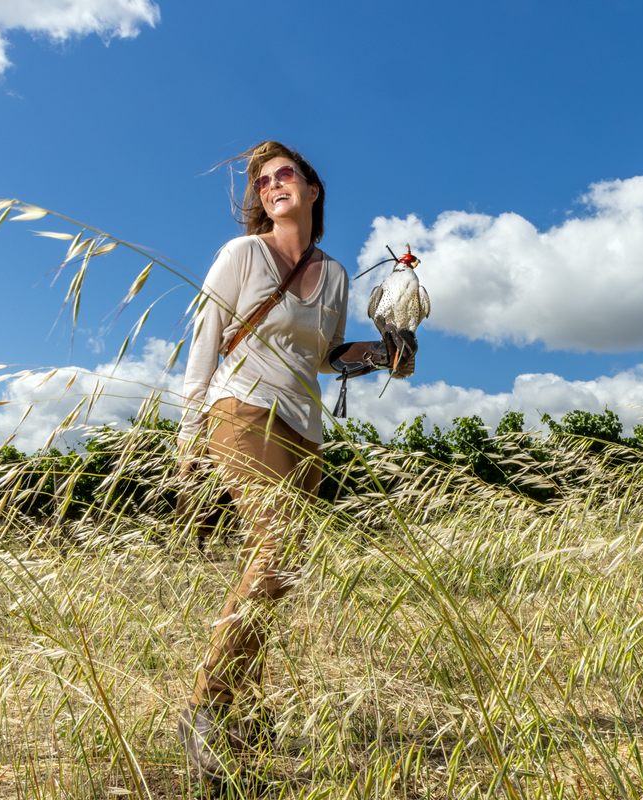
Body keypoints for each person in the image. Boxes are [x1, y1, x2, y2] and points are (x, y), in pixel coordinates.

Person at [175, 140, 416, 782]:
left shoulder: (334, 274)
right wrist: (188, 438)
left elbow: (328, 354)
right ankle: (207, 705)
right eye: (263, 181)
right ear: (260, 200)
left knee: (284, 569)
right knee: (278, 547)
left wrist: (384, 351)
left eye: (286, 175)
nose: (274, 185)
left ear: (312, 190)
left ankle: (244, 713)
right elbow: (204, 341)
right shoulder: (242, 255)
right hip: (243, 410)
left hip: (306, 429)